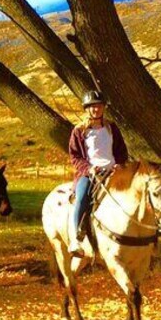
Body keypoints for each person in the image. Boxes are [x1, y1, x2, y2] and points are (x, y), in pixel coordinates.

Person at [67, 90, 128, 257]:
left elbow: (122, 151)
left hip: (113, 172)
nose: (96, 109)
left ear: (103, 108)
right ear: (87, 109)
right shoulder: (79, 131)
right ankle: (76, 240)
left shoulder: (112, 128)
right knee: (81, 198)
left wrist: (119, 164)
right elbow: (75, 156)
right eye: (92, 107)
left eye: (99, 106)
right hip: (90, 174)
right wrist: (89, 169)